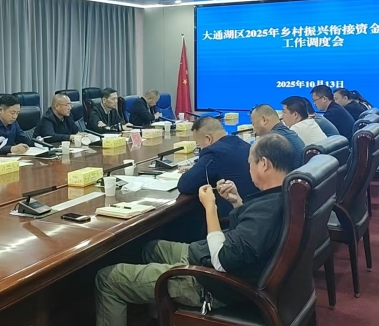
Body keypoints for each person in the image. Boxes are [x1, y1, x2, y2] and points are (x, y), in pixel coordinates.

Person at [94, 134, 293, 326]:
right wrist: (237, 203)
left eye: (250, 163)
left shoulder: (267, 211)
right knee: (150, 249)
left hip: (213, 284)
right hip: (217, 262)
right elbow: (252, 234)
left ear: (264, 164)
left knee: (108, 279)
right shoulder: (284, 197)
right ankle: (159, 317)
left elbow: (221, 260)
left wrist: (210, 207)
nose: (248, 168)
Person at [176, 117, 256, 216]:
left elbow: (185, 185)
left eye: (199, 146)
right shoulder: (241, 143)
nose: (200, 149)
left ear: (208, 139)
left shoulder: (214, 152)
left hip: (233, 216)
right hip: (254, 208)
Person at [251, 104, 305, 169]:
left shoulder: (271, 141)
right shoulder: (291, 134)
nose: (253, 129)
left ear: (264, 120)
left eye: (253, 124)